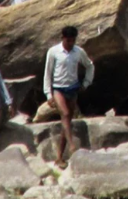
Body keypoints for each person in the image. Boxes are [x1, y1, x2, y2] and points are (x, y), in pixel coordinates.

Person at [44, 26, 95, 168]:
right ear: (62, 38)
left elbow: (90, 66)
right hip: (58, 89)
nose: (70, 43)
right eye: (68, 40)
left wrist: (86, 83)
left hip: (73, 89)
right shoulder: (53, 52)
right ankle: (72, 146)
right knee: (65, 114)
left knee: (66, 123)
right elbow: (47, 73)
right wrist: (48, 93)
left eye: (73, 40)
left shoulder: (78, 52)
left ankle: (59, 157)